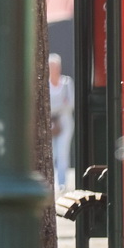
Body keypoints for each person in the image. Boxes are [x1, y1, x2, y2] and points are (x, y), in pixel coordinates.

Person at [49, 53, 75, 191]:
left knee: (63, 152)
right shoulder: (45, 84)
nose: (54, 69)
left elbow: (71, 104)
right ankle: (51, 183)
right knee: (51, 153)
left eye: (56, 66)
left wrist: (58, 108)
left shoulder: (67, 82)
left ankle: (62, 183)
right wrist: (60, 106)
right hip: (50, 123)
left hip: (65, 122)